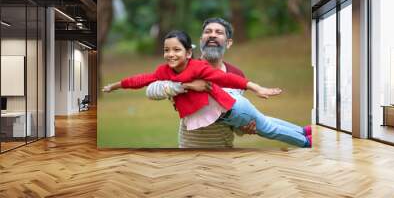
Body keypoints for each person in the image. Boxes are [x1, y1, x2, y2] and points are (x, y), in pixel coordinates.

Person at [103, 30, 312, 147]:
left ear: (188, 53)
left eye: (176, 49)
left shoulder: (199, 67)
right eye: (166, 50)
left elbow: (226, 78)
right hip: (227, 114)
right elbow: (141, 80)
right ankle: (304, 132)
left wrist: (255, 87)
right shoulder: (165, 72)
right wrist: (115, 86)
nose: (170, 54)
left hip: (234, 109)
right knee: (267, 123)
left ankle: (306, 142)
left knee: (268, 129)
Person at [146, 18, 255, 148]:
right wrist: (185, 85)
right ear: (201, 40)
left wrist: (243, 129)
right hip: (188, 152)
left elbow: (234, 118)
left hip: (223, 154)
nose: (213, 35)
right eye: (208, 31)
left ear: (228, 43)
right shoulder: (182, 68)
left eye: (219, 32)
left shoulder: (237, 76)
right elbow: (151, 91)